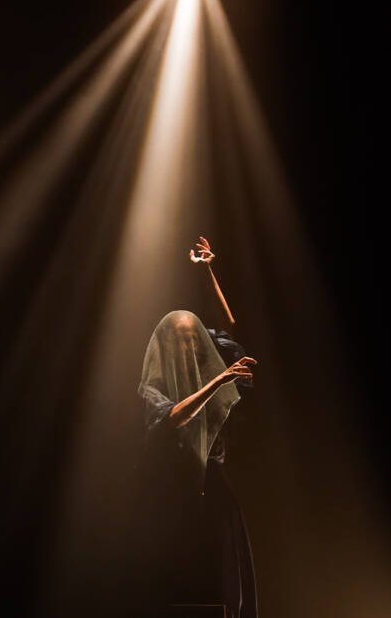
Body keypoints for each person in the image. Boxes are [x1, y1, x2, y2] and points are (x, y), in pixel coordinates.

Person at [131, 236, 259, 618]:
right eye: (183, 340)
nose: (192, 347)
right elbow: (173, 419)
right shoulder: (153, 388)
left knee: (224, 583)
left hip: (213, 489)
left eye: (194, 340)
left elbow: (226, 329)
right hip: (170, 497)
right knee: (178, 584)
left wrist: (207, 273)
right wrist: (219, 382)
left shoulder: (205, 367)